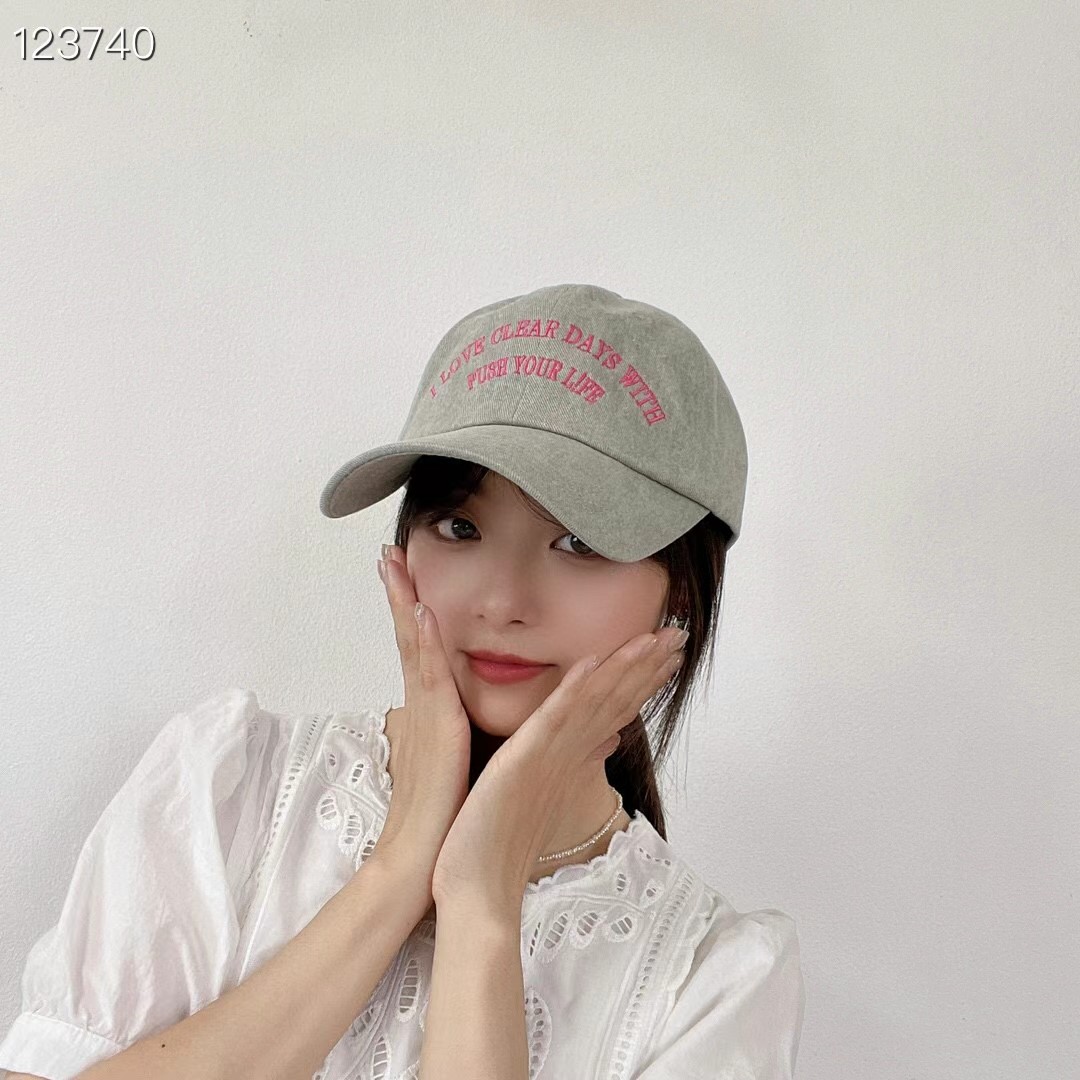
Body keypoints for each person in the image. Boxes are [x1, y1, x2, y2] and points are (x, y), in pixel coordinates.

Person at [0, 283, 805, 1079]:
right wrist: (397, 869)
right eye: (460, 526)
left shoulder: (710, 982)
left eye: (580, 543)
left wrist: (482, 901)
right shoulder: (225, 788)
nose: (501, 601)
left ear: (683, 591)